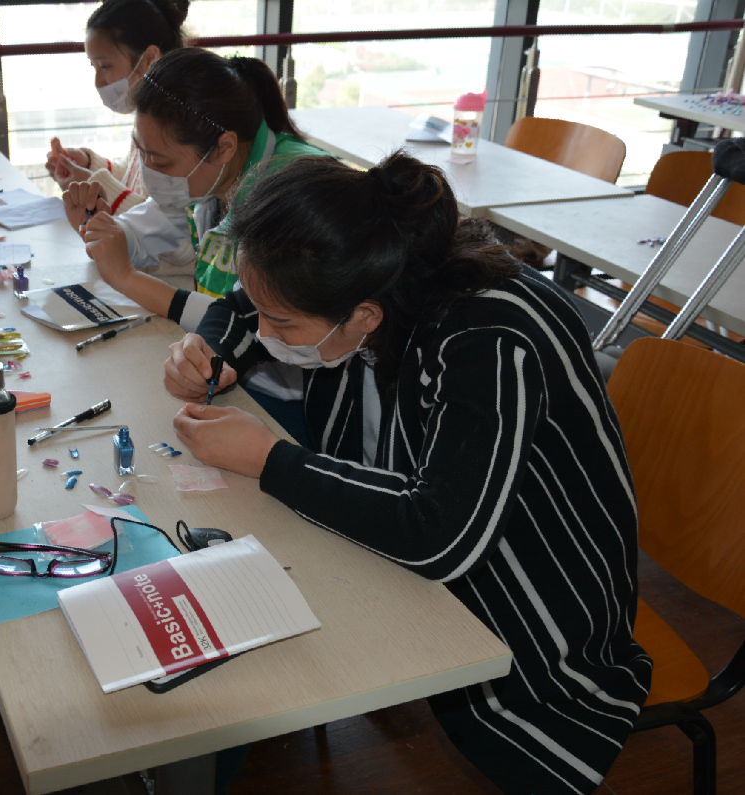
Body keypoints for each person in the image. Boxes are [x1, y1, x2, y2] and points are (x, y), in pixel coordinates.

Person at [164, 153, 652, 795]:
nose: (266, 331)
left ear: (366, 316)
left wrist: (270, 459)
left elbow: (439, 533)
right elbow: (241, 306)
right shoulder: (373, 274)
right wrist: (214, 349)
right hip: (434, 539)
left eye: (281, 323)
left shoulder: (489, 336)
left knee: (247, 644)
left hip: (536, 591)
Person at [67, 47, 331, 323]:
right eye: (141, 153)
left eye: (161, 162)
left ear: (224, 147)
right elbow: (154, 228)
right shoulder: (216, 175)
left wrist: (125, 278)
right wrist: (102, 230)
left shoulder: (296, 196)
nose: (149, 171)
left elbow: (252, 326)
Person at [44, 0, 189, 216]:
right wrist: (89, 166)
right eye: (94, 67)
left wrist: (95, 187)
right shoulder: (150, 113)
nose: (98, 82)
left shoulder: (178, 127)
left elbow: (160, 224)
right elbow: (133, 179)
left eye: (105, 66)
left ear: (149, 59)